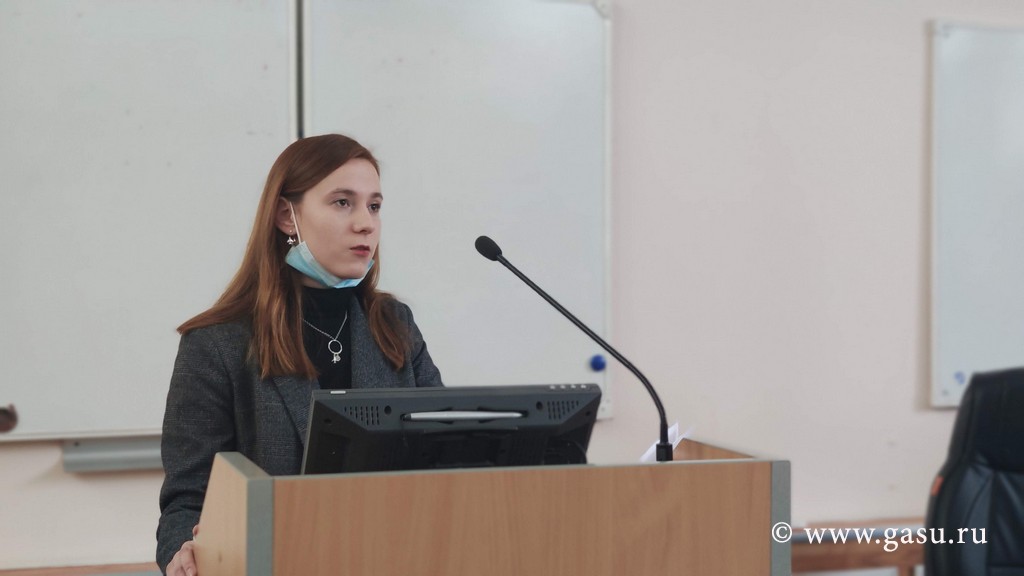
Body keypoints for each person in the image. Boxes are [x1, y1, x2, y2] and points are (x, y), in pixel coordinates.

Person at [156, 134, 443, 575]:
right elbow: (188, 500)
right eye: (343, 203)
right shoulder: (216, 343)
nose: (365, 224)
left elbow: (445, 460)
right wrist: (185, 551)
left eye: (374, 206)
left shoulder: (395, 325)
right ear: (285, 216)